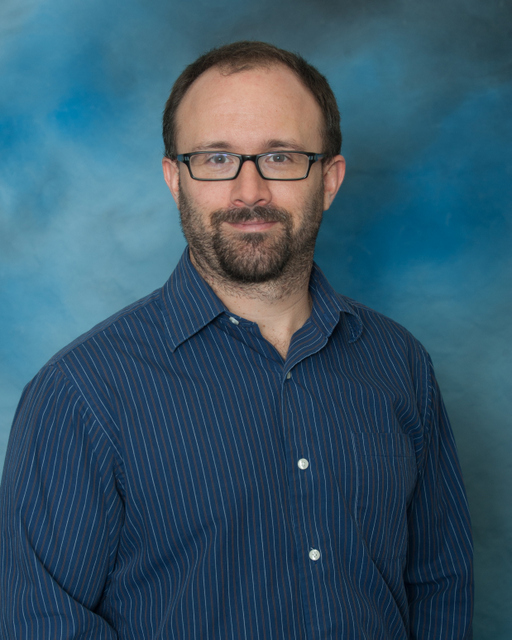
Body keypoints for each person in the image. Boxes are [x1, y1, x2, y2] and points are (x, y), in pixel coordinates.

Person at [0, 41, 473, 639]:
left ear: (329, 179)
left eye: (280, 156)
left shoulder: (398, 362)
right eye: (217, 158)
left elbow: (440, 583)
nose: (249, 192)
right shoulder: (81, 393)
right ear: (176, 179)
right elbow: (40, 623)